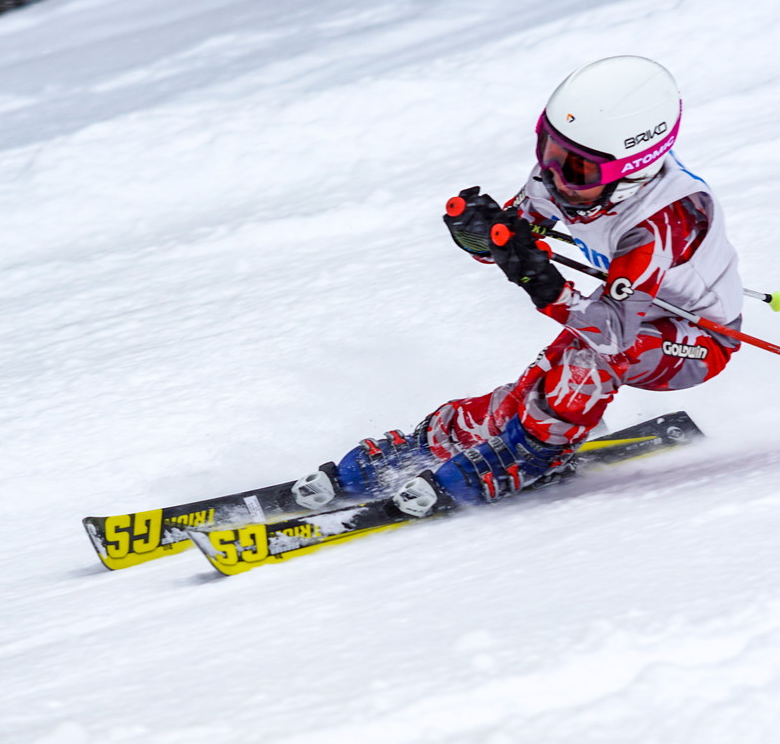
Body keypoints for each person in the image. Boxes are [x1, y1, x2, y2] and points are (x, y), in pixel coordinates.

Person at [292, 55, 744, 518]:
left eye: (577, 170)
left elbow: (613, 337)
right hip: (628, 316)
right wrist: (482, 234)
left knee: (587, 362)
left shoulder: (660, 222)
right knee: (538, 383)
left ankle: (530, 455)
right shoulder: (564, 179)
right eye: (548, 150)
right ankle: (435, 444)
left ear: (632, 170)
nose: (553, 176)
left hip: (696, 339)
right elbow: (514, 239)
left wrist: (547, 288)